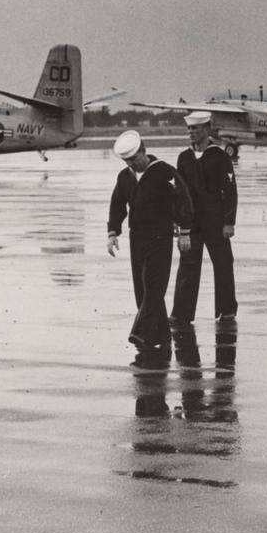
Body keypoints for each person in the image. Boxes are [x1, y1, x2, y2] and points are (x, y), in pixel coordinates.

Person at [106, 130, 193, 362]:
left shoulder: (164, 172)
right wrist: (112, 232)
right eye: (127, 161)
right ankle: (161, 336)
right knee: (141, 289)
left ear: (144, 151)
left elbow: (183, 199)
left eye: (134, 159)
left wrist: (185, 231)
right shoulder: (125, 177)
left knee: (154, 286)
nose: (131, 164)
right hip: (137, 239)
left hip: (160, 237)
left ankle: (140, 332)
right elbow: (117, 204)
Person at [171, 112, 238, 324]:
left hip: (216, 222)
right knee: (187, 266)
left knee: (223, 264)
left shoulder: (219, 156)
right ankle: (181, 314)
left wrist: (229, 222)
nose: (191, 132)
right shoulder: (184, 158)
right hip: (191, 223)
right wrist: (178, 221)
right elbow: (179, 192)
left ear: (206, 129)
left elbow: (230, 190)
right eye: (189, 128)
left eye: (195, 128)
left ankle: (227, 310)